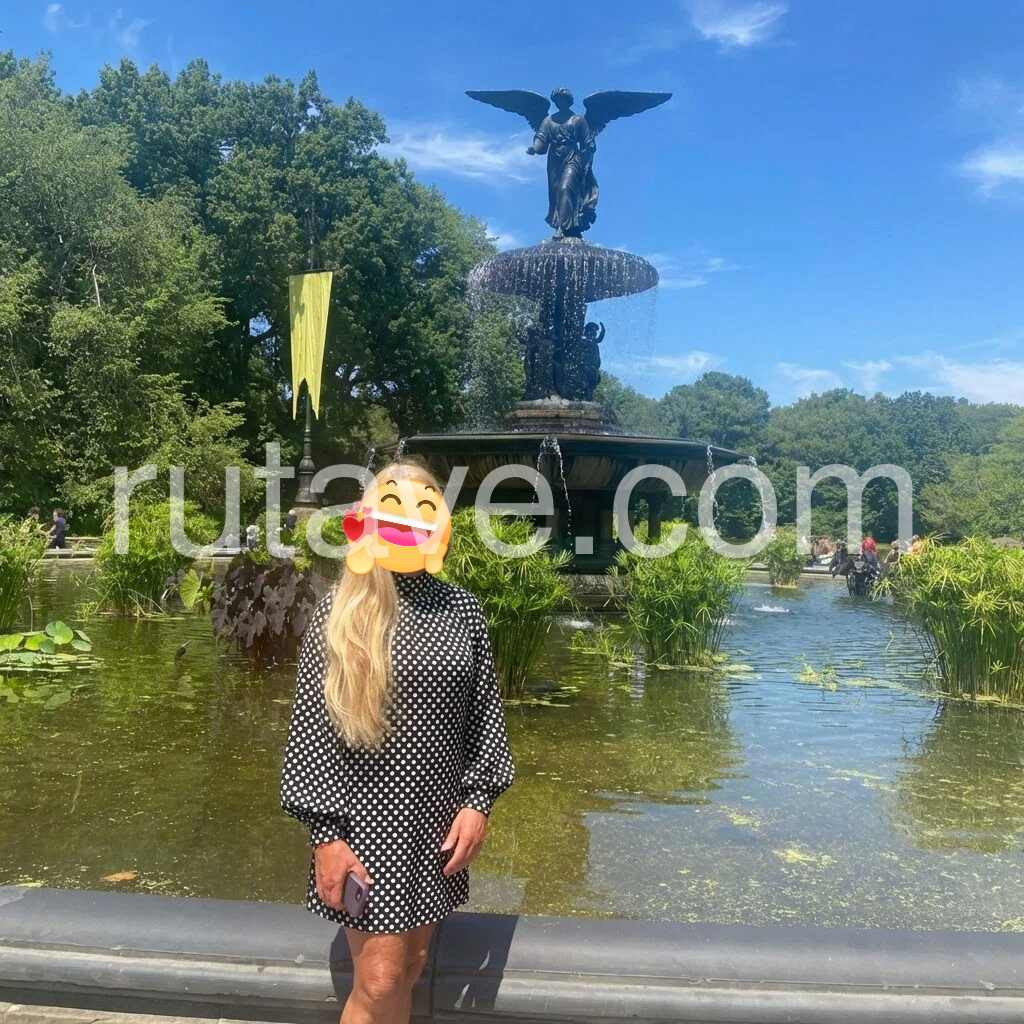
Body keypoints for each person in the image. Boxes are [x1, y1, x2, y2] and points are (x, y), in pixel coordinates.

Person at [280, 462, 515, 1024]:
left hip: (437, 824)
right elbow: (311, 731)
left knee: (411, 965)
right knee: (380, 979)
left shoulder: (463, 610)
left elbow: (485, 716)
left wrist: (477, 802)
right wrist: (326, 836)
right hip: (364, 825)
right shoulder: (341, 611)